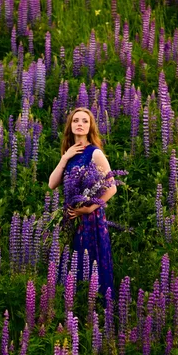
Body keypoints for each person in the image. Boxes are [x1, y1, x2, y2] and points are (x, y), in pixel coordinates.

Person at [48, 107, 116, 298]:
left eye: (85, 121)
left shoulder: (95, 153)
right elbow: (52, 184)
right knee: (72, 265)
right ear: (70, 125)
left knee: (91, 262)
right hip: (71, 218)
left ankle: (98, 310)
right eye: (76, 120)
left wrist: (87, 209)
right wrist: (64, 158)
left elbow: (112, 187)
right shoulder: (70, 154)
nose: (80, 124)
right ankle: (74, 308)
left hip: (91, 219)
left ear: (90, 127)